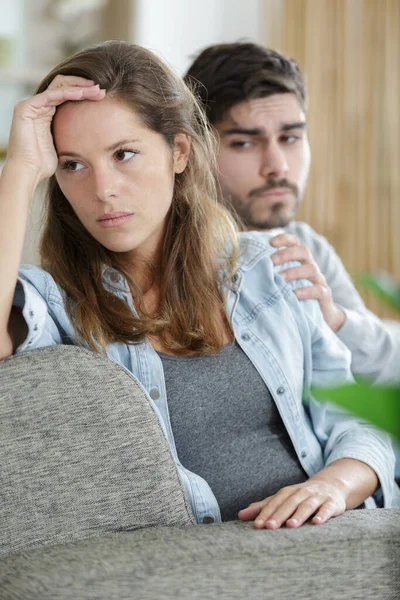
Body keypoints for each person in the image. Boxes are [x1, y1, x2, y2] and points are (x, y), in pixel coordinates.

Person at [0, 41, 397, 529]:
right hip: (198, 568)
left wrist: (332, 485)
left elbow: (360, 425)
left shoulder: (265, 269)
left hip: (330, 543)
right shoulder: (60, 303)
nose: (102, 189)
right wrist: (18, 169)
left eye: (124, 154)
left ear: (179, 152)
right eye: (72, 164)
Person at [184, 42, 400, 386]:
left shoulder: (303, 246)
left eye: (290, 137)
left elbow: (386, 370)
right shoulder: (166, 256)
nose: (277, 167)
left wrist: (335, 319)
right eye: (244, 142)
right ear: (192, 151)